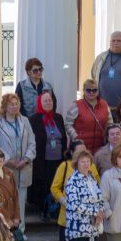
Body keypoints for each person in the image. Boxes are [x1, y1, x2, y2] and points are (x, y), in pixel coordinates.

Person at [50, 140, 100, 241]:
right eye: (78, 151)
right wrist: (64, 201)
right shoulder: (65, 166)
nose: (82, 154)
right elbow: (54, 188)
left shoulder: (92, 168)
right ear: (72, 153)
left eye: (84, 150)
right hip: (68, 219)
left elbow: (97, 186)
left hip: (88, 221)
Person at [0, 93, 35, 238]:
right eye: (11, 104)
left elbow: (32, 141)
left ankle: (20, 231)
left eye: (16, 103)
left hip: (23, 167)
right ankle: (5, 232)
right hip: (5, 167)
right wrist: (8, 160)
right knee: (5, 199)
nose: (15, 106)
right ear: (5, 106)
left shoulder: (25, 121)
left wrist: (26, 159)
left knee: (21, 200)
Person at [30, 91, 68, 221]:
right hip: (42, 159)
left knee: (56, 184)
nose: (48, 102)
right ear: (39, 103)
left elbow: (63, 138)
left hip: (58, 159)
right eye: (45, 101)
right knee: (44, 185)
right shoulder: (34, 119)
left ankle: (55, 210)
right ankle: (43, 210)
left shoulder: (58, 117)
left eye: (50, 100)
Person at [64, 79, 113, 153]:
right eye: (88, 90)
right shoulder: (76, 105)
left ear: (98, 91)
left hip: (101, 148)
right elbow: (68, 124)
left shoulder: (105, 105)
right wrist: (76, 138)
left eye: (94, 90)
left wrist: (108, 136)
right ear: (84, 90)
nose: (91, 92)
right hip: (81, 148)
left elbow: (110, 124)